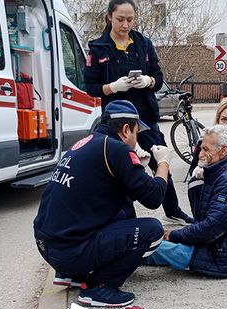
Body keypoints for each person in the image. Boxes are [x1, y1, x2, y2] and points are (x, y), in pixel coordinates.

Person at [33, 100, 172, 308]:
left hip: (49, 247)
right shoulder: (117, 150)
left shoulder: (87, 143)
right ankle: (99, 287)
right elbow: (154, 198)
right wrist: (163, 163)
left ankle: (72, 275)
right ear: (126, 130)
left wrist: (136, 169)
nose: (136, 140)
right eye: (136, 133)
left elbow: (117, 193)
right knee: (152, 230)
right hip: (69, 252)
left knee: (123, 210)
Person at [84, 0, 194, 225]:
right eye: (120, 19)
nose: (125, 25)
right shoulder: (98, 47)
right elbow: (90, 87)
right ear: (109, 17)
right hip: (115, 120)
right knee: (118, 166)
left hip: (144, 115)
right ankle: (120, 215)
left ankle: (172, 209)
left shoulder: (144, 43)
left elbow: (159, 78)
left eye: (130, 19)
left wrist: (148, 81)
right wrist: (113, 87)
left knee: (159, 159)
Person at [146, 125, 227, 278]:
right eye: (201, 149)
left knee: (147, 246)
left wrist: (174, 236)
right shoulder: (221, 172)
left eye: (206, 150)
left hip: (224, 259)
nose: (200, 154)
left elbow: (211, 227)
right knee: (153, 242)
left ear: (223, 151)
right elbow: (205, 220)